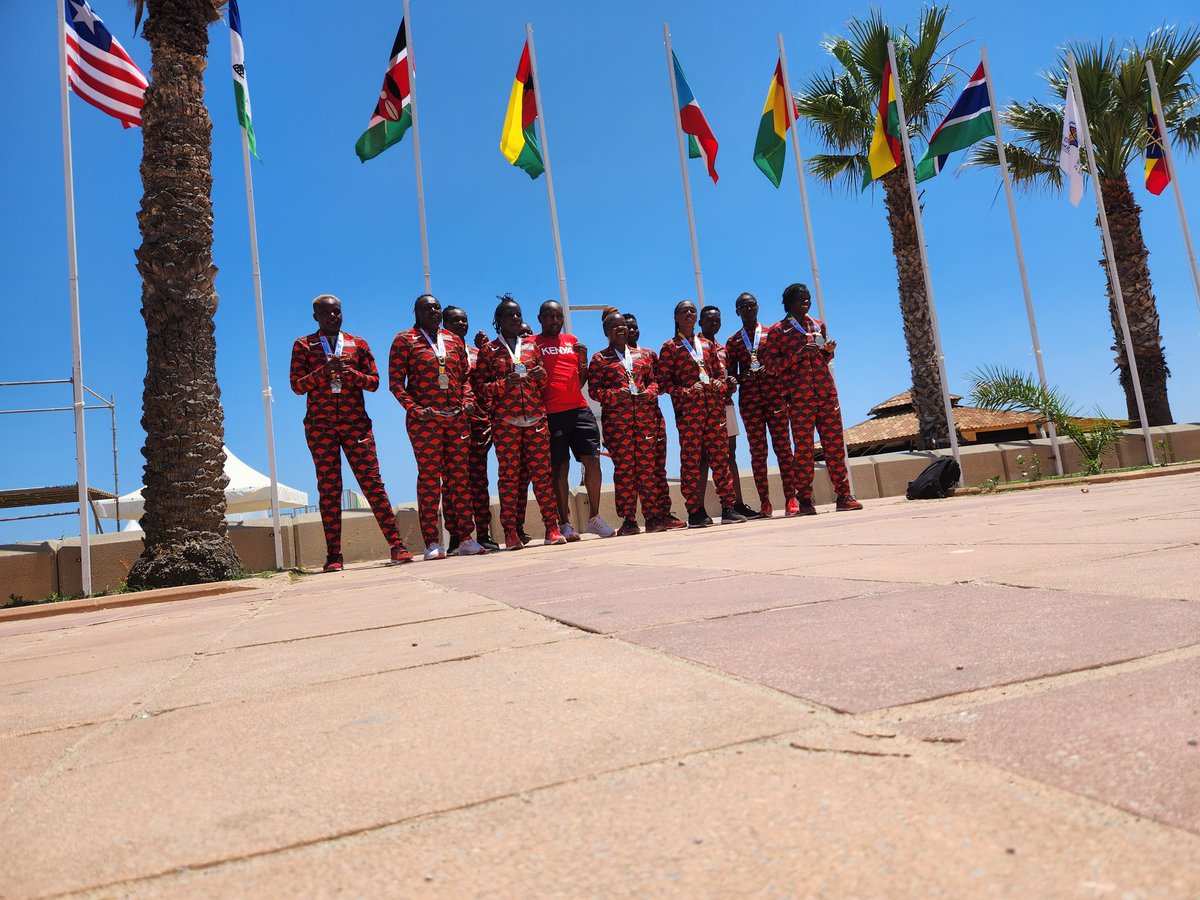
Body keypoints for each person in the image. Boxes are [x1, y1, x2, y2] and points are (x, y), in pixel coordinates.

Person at [289, 294, 412, 572]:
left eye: (337, 312)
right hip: (320, 427)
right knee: (329, 489)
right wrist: (323, 372)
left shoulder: (358, 344)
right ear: (316, 317)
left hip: (356, 425)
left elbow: (374, 383)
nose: (333, 317)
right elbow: (296, 386)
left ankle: (397, 546)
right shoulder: (303, 345)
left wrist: (350, 374)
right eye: (326, 313)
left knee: (373, 484)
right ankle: (334, 556)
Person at [388, 295, 488, 561]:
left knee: (460, 478)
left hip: (457, 418)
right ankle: (432, 542)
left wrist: (468, 400)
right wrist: (417, 409)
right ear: (416, 313)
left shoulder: (454, 340)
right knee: (430, 479)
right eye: (426, 308)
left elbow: (466, 377)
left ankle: (466, 537)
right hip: (425, 421)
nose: (433, 311)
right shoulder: (404, 340)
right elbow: (396, 384)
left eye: (436, 308)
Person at [761, 283, 863, 514]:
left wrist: (827, 351)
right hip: (799, 397)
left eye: (808, 298)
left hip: (826, 393)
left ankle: (844, 495)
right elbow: (770, 367)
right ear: (789, 303)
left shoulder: (818, 325)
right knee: (804, 448)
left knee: (835, 444)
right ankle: (805, 499)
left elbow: (821, 360)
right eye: (801, 299)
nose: (806, 302)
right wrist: (798, 354)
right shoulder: (778, 330)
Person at [477, 295, 567, 549]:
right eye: (509, 315)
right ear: (499, 321)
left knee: (542, 475)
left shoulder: (531, 347)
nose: (516, 319)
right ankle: (511, 532)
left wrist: (542, 375)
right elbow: (481, 388)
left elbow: (542, 382)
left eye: (518, 315)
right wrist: (504, 384)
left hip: (536, 419)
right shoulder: (489, 350)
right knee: (509, 478)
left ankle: (552, 528)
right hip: (506, 421)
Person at [587, 310, 686, 536]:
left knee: (647, 471)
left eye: (623, 325)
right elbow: (594, 391)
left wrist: (648, 393)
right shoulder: (600, 359)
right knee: (624, 472)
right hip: (618, 426)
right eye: (615, 326)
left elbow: (657, 382)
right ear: (606, 332)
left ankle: (652, 517)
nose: (621, 329)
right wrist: (615, 394)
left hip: (645, 423)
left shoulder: (646, 355)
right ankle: (629, 519)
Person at [658, 300, 748, 528]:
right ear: (676, 317)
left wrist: (720, 384)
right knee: (692, 461)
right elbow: (663, 383)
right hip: (689, 413)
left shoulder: (707, 345)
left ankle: (728, 508)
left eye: (692, 311)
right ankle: (696, 511)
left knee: (721, 458)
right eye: (684, 311)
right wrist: (686, 391)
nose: (689, 314)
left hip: (715, 410)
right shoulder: (670, 347)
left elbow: (719, 374)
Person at [534, 301, 616, 540]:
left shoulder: (571, 341)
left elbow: (581, 380)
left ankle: (594, 518)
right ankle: (565, 522)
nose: (554, 320)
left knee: (592, 460)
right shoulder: (532, 344)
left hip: (580, 410)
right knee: (560, 467)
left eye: (558, 316)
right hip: (551, 413)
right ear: (540, 318)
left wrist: (583, 358)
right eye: (549, 316)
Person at [725, 292, 798, 517]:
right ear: (737, 312)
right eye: (743, 307)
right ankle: (765, 501)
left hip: (775, 396)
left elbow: (784, 362)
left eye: (752, 305)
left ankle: (791, 498)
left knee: (784, 448)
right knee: (758, 453)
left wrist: (773, 368)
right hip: (750, 402)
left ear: (758, 307)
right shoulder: (733, 341)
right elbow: (730, 375)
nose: (748, 309)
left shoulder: (771, 333)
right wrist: (742, 375)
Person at [443, 305, 499, 552]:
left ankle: (483, 533)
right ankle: (456, 536)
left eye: (464, 320)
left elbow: (487, 388)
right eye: (455, 321)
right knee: (452, 482)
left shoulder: (477, 353)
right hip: (450, 424)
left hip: (477, 425)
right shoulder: (441, 352)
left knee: (478, 480)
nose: (461, 325)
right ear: (445, 324)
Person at [699, 305, 760, 521]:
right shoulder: (695, 346)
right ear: (700, 322)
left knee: (730, 454)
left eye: (717, 320)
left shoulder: (724, 349)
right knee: (705, 457)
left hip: (726, 405)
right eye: (709, 320)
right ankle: (699, 510)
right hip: (703, 409)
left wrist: (733, 381)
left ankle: (737, 504)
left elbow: (730, 376)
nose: (713, 323)